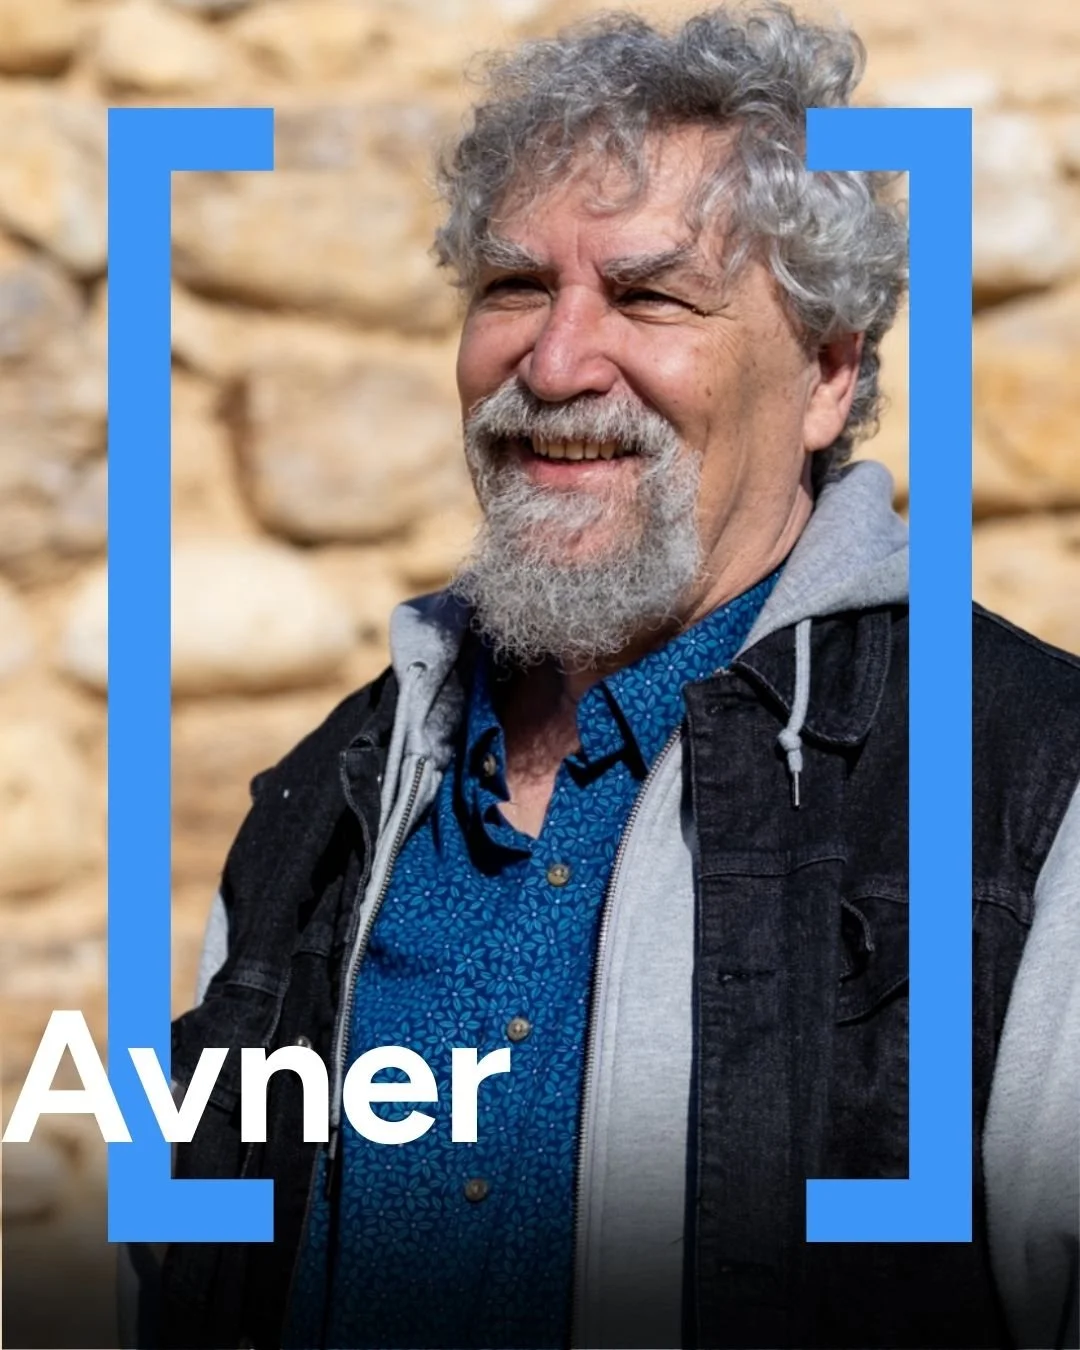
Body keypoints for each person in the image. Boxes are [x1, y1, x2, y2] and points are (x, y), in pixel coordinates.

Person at [149, 5, 1080, 1348]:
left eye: (650, 295)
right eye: (517, 286)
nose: (556, 361)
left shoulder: (1027, 803)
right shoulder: (326, 800)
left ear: (828, 374)